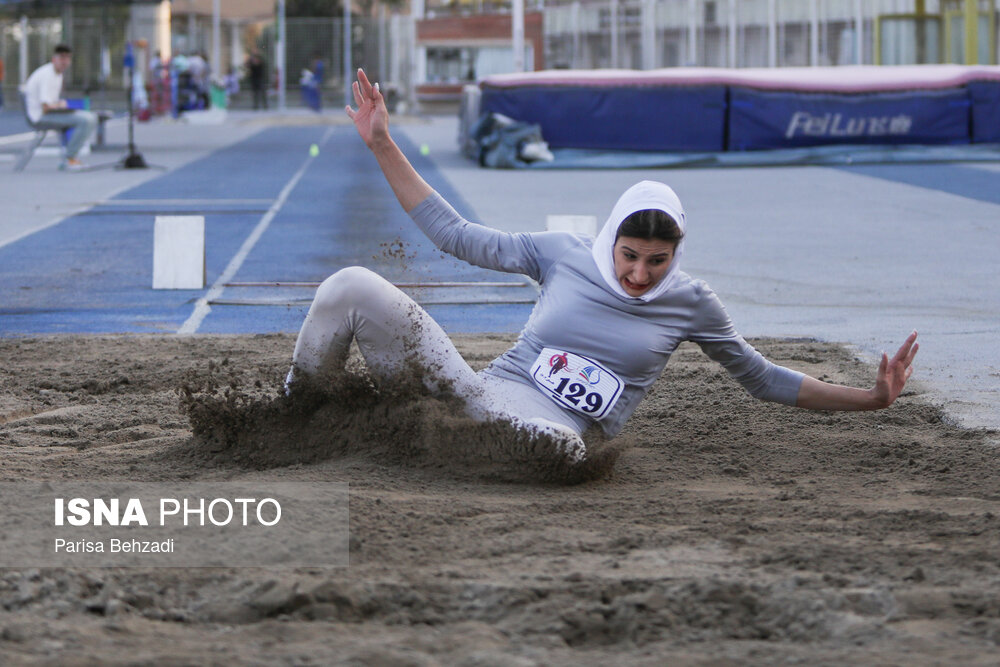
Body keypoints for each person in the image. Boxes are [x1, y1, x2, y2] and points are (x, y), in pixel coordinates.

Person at [285, 68, 919, 465]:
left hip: (549, 436)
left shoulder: (693, 304)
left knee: (561, 451)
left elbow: (762, 378)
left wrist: (872, 397)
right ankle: (295, 420)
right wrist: (382, 142)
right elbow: (455, 234)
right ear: (610, 240)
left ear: (677, 256)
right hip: (471, 394)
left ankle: (434, 450)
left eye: (656, 262)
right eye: (629, 257)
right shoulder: (562, 254)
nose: (640, 274)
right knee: (347, 287)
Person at [22, 44, 97, 171]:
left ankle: (69, 158)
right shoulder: (47, 74)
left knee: (90, 117)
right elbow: (46, 107)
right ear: (54, 59)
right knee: (87, 119)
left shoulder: (58, 75)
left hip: (48, 113)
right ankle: (70, 159)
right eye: (62, 58)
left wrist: (60, 105)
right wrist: (60, 105)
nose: (65, 61)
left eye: (68, 58)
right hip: (40, 117)